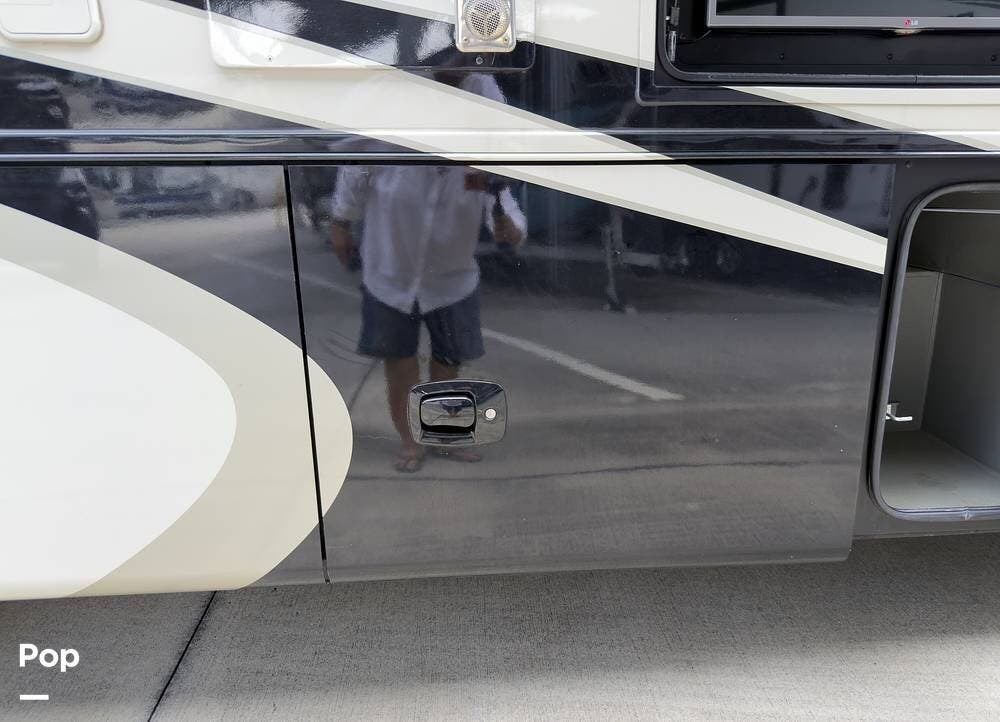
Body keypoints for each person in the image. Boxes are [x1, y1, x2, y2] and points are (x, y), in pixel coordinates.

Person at [330, 160, 526, 472]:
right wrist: (340, 223)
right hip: (389, 273)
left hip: (452, 279)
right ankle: (411, 440)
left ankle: (442, 434)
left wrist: (511, 230)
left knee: (448, 361)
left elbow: (502, 205)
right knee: (399, 361)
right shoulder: (391, 151)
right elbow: (355, 170)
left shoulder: (474, 165)